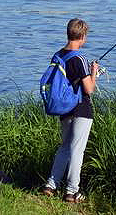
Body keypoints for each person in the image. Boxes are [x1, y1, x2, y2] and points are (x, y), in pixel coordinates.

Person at [42, 18, 99, 203]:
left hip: (64, 109)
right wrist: (94, 73)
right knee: (77, 151)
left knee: (65, 148)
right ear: (82, 36)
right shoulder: (80, 58)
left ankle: (51, 186)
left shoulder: (58, 55)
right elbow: (89, 89)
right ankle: (71, 191)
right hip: (81, 109)